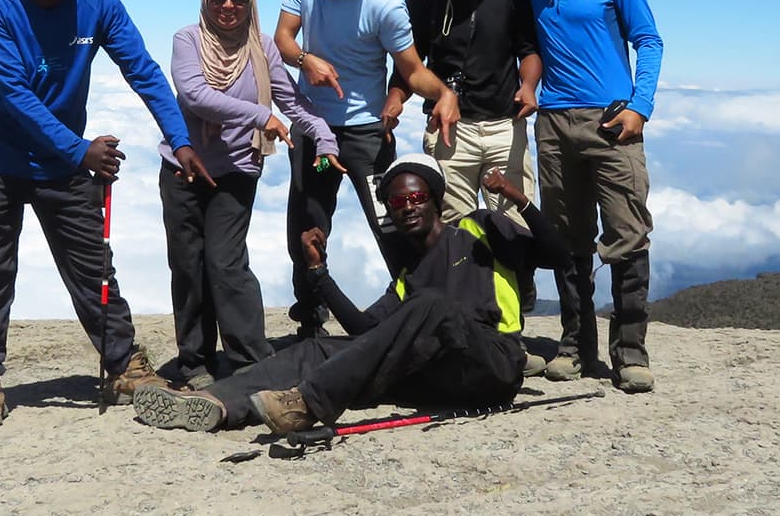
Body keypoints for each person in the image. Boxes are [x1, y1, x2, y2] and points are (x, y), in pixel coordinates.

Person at [0, 0, 212, 434]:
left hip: (62, 160)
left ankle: (123, 366)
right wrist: (80, 151)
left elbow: (141, 70)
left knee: (92, 266)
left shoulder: (97, 2)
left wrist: (181, 138)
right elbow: (15, 93)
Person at [131, 155, 579, 434]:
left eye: (416, 198)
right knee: (318, 346)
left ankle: (307, 404)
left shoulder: (481, 229)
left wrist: (517, 199)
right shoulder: (409, 274)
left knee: (432, 307)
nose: (406, 210)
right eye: (397, 205)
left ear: (436, 199)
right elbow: (366, 332)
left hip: (493, 363)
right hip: (442, 378)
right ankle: (217, 402)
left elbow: (560, 257)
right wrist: (317, 271)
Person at [274, 0, 462, 337]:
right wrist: (307, 59)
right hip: (315, 130)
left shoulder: (384, 2)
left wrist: (445, 93)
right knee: (306, 223)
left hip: (364, 134)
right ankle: (311, 318)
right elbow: (283, 39)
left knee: (393, 224)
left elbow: (412, 69)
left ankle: (418, 313)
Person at [157, 0, 341, 390]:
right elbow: (195, 96)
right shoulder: (187, 40)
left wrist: (325, 138)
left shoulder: (261, 47)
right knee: (188, 265)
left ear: (250, 1)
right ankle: (196, 363)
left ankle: (248, 360)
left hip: (236, 169)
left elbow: (291, 102)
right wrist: (262, 116)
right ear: (205, 0)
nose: (228, 4)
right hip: (183, 169)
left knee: (226, 262)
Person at [513, 0, 663, 393]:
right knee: (567, 239)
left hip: (612, 119)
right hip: (552, 123)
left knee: (626, 234)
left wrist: (641, 106)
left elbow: (649, 38)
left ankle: (631, 353)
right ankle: (576, 346)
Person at [390, 0, 547, 373]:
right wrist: (395, 98)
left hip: (503, 123)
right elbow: (408, 61)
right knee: (454, 236)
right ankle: (467, 334)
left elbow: (528, 48)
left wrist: (527, 84)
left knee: (510, 228)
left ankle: (511, 332)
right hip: (448, 128)